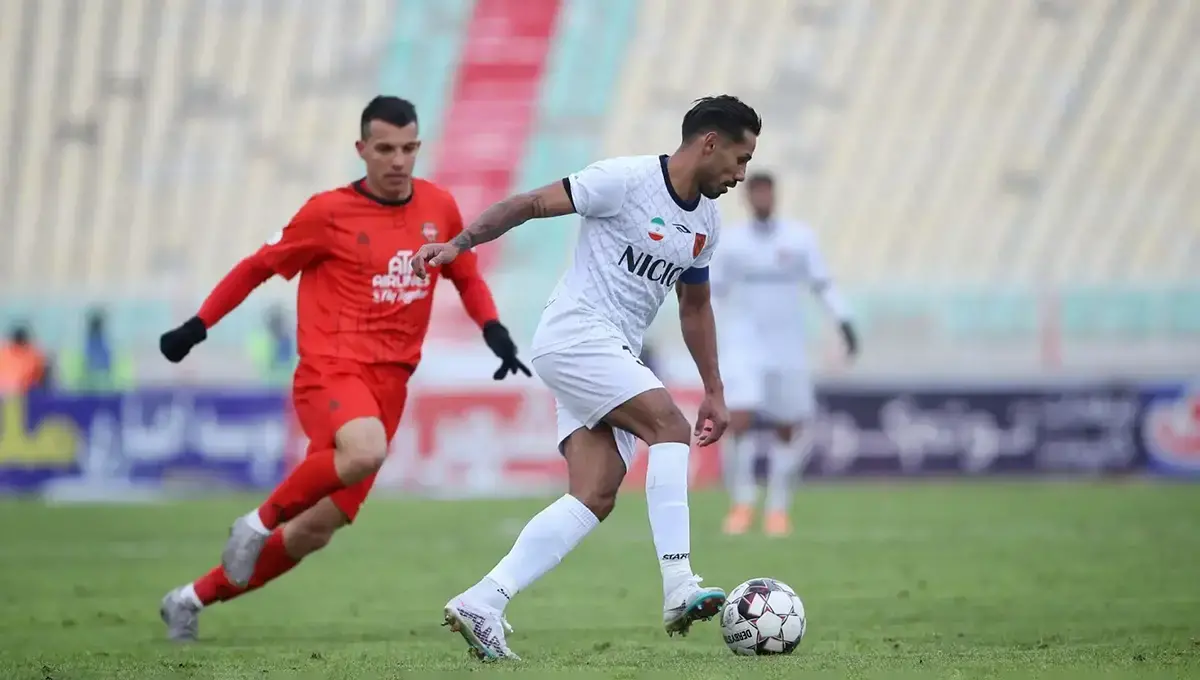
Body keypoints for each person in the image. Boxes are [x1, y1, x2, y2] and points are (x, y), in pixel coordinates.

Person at [155, 95, 530, 642]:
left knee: (312, 531)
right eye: (385, 149)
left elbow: (466, 275)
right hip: (331, 372)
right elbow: (257, 267)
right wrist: (197, 326)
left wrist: (492, 328)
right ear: (362, 149)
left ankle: (188, 600)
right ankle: (255, 523)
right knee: (364, 451)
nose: (398, 160)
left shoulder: (439, 207)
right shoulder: (327, 213)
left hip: (390, 387)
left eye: (408, 148)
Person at [412, 95, 763, 661]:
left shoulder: (707, 222)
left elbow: (695, 307)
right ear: (710, 143)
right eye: (740, 158)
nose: (741, 174)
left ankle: (483, 600)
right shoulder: (623, 180)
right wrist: (460, 244)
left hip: (610, 351)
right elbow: (531, 202)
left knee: (595, 494)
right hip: (577, 333)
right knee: (669, 428)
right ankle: (679, 584)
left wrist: (715, 391)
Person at [711, 172, 858, 537]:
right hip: (743, 342)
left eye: (768, 192)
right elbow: (713, 292)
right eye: (756, 192)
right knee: (739, 417)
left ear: (774, 195)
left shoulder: (799, 238)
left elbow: (822, 283)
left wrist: (843, 320)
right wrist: (705, 336)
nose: (763, 198)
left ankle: (778, 507)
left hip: (788, 344)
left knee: (787, 426)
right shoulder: (732, 242)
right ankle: (743, 501)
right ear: (747, 197)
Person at [0, 324, 48, 395]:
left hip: (23, 393)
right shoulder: (34, 356)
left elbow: (39, 377)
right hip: (12, 392)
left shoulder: (34, 357)